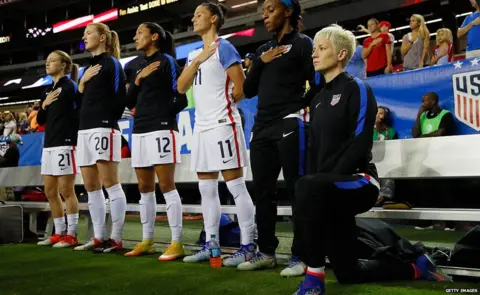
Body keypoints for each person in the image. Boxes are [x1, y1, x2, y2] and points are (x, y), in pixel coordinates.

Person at [292, 24, 452, 295]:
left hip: (359, 181)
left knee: (306, 186)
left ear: (341, 54)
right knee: (348, 273)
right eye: (314, 49)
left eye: (322, 48)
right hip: (327, 188)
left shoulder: (357, 88)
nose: (314, 54)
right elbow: (314, 151)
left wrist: (323, 183)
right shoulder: (317, 101)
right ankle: (416, 268)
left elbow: (360, 141)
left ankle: (313, 280)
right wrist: (320, 183)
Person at [238, 0, 322, 277]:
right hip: (261, 127)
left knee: (298, 192)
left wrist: (298, 107)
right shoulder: (263, 50)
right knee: (262, 193)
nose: (265, 16)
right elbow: (247, 90)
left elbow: (318, 83)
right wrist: (259, 63)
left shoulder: (303, 44)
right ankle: (267, 253)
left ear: (287, 12)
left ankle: (301, 255)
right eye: (263, 11)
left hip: (289, 123)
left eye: (270, 10)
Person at [177, 2, 256, 267]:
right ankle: (212, 245)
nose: (194, 18)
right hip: (201, 127)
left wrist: (226, 107)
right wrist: (199, 59)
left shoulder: (225, 47)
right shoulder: (193, 55)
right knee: (206, 189)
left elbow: (241, 87)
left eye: (199, 14)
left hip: (223, 124)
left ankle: (248, 245)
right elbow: (180, 86)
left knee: (236, 186)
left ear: (213, 19)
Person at [124, 22, 188, 261]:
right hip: (139, 130)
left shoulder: (168, 62)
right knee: (144, 188)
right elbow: (129, 102)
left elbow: (181, 98)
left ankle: (177, 243)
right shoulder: (133, 66)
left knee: (166, 185)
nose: (135, 36)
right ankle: (148, 241)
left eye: (139, 32)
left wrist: (163, 115)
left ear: (154, 37)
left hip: (162, 129)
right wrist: (139, 79)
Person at [73, 22, 127, 253]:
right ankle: (98, 236)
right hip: (84, 129)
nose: (84, 37)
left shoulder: (111, 63)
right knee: (91, 186)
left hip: (104, 128)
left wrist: (106, 120)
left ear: (103, 37)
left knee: (110, 183)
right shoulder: (87, 68)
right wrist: (82, 83)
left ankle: (115, 238)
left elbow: (119, 97)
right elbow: (78, 102)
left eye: (88, 33)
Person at [36, 50, 80, 248]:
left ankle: (71, 234)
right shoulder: (46, 91)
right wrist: (44, 105)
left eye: (52, 60)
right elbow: (39, 120)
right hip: (49, 144)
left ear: (63, 65)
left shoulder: (70, 87)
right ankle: (59, 232)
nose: (48, 63)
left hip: (65, 142)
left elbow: (77, 113)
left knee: (66, 190)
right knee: (50, 190)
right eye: (47, 60)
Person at [373, 106, 397, 206]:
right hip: (372, 162)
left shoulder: (391, 132)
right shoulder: (367, 130)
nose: (379, 115)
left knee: (388, 173)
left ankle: (383, 197)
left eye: (381, 113)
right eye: (377, 113)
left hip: (387, 162)